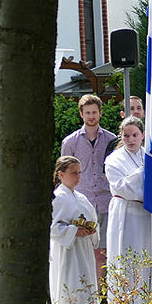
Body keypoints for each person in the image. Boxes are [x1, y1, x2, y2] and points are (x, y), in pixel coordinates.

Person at [61, 94, 116, 282]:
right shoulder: (70, 142)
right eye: (87, 113)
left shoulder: (112, 140)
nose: (91, 116)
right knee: (84, 253)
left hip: (106, 202)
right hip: (81, 205)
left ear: (100, 113)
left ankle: (102, 296)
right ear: (81, 115)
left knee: (104, 252)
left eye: (94, 112)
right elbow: (64, 176)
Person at [104, 116, 152, 304]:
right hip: (125, 213)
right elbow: (122, 188)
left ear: (142, 135)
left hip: (146, 214)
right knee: (126, 258)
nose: (131, 140)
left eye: (134, 135)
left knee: (145, 257)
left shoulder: (149, 156)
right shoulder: (113, 160)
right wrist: (141, 173)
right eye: (126, 136)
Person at [49, 156, 100, 304]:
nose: (78, 177)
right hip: (67, 251)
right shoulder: (57, 197)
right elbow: (51, 227)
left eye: (79, 173)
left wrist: (91, 229)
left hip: (83, 249)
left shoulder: (81, 197)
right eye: (73, 173)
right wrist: (73, 231)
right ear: (61, 174)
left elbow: (92, 217)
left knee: (86, 283)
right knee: (70, 284)